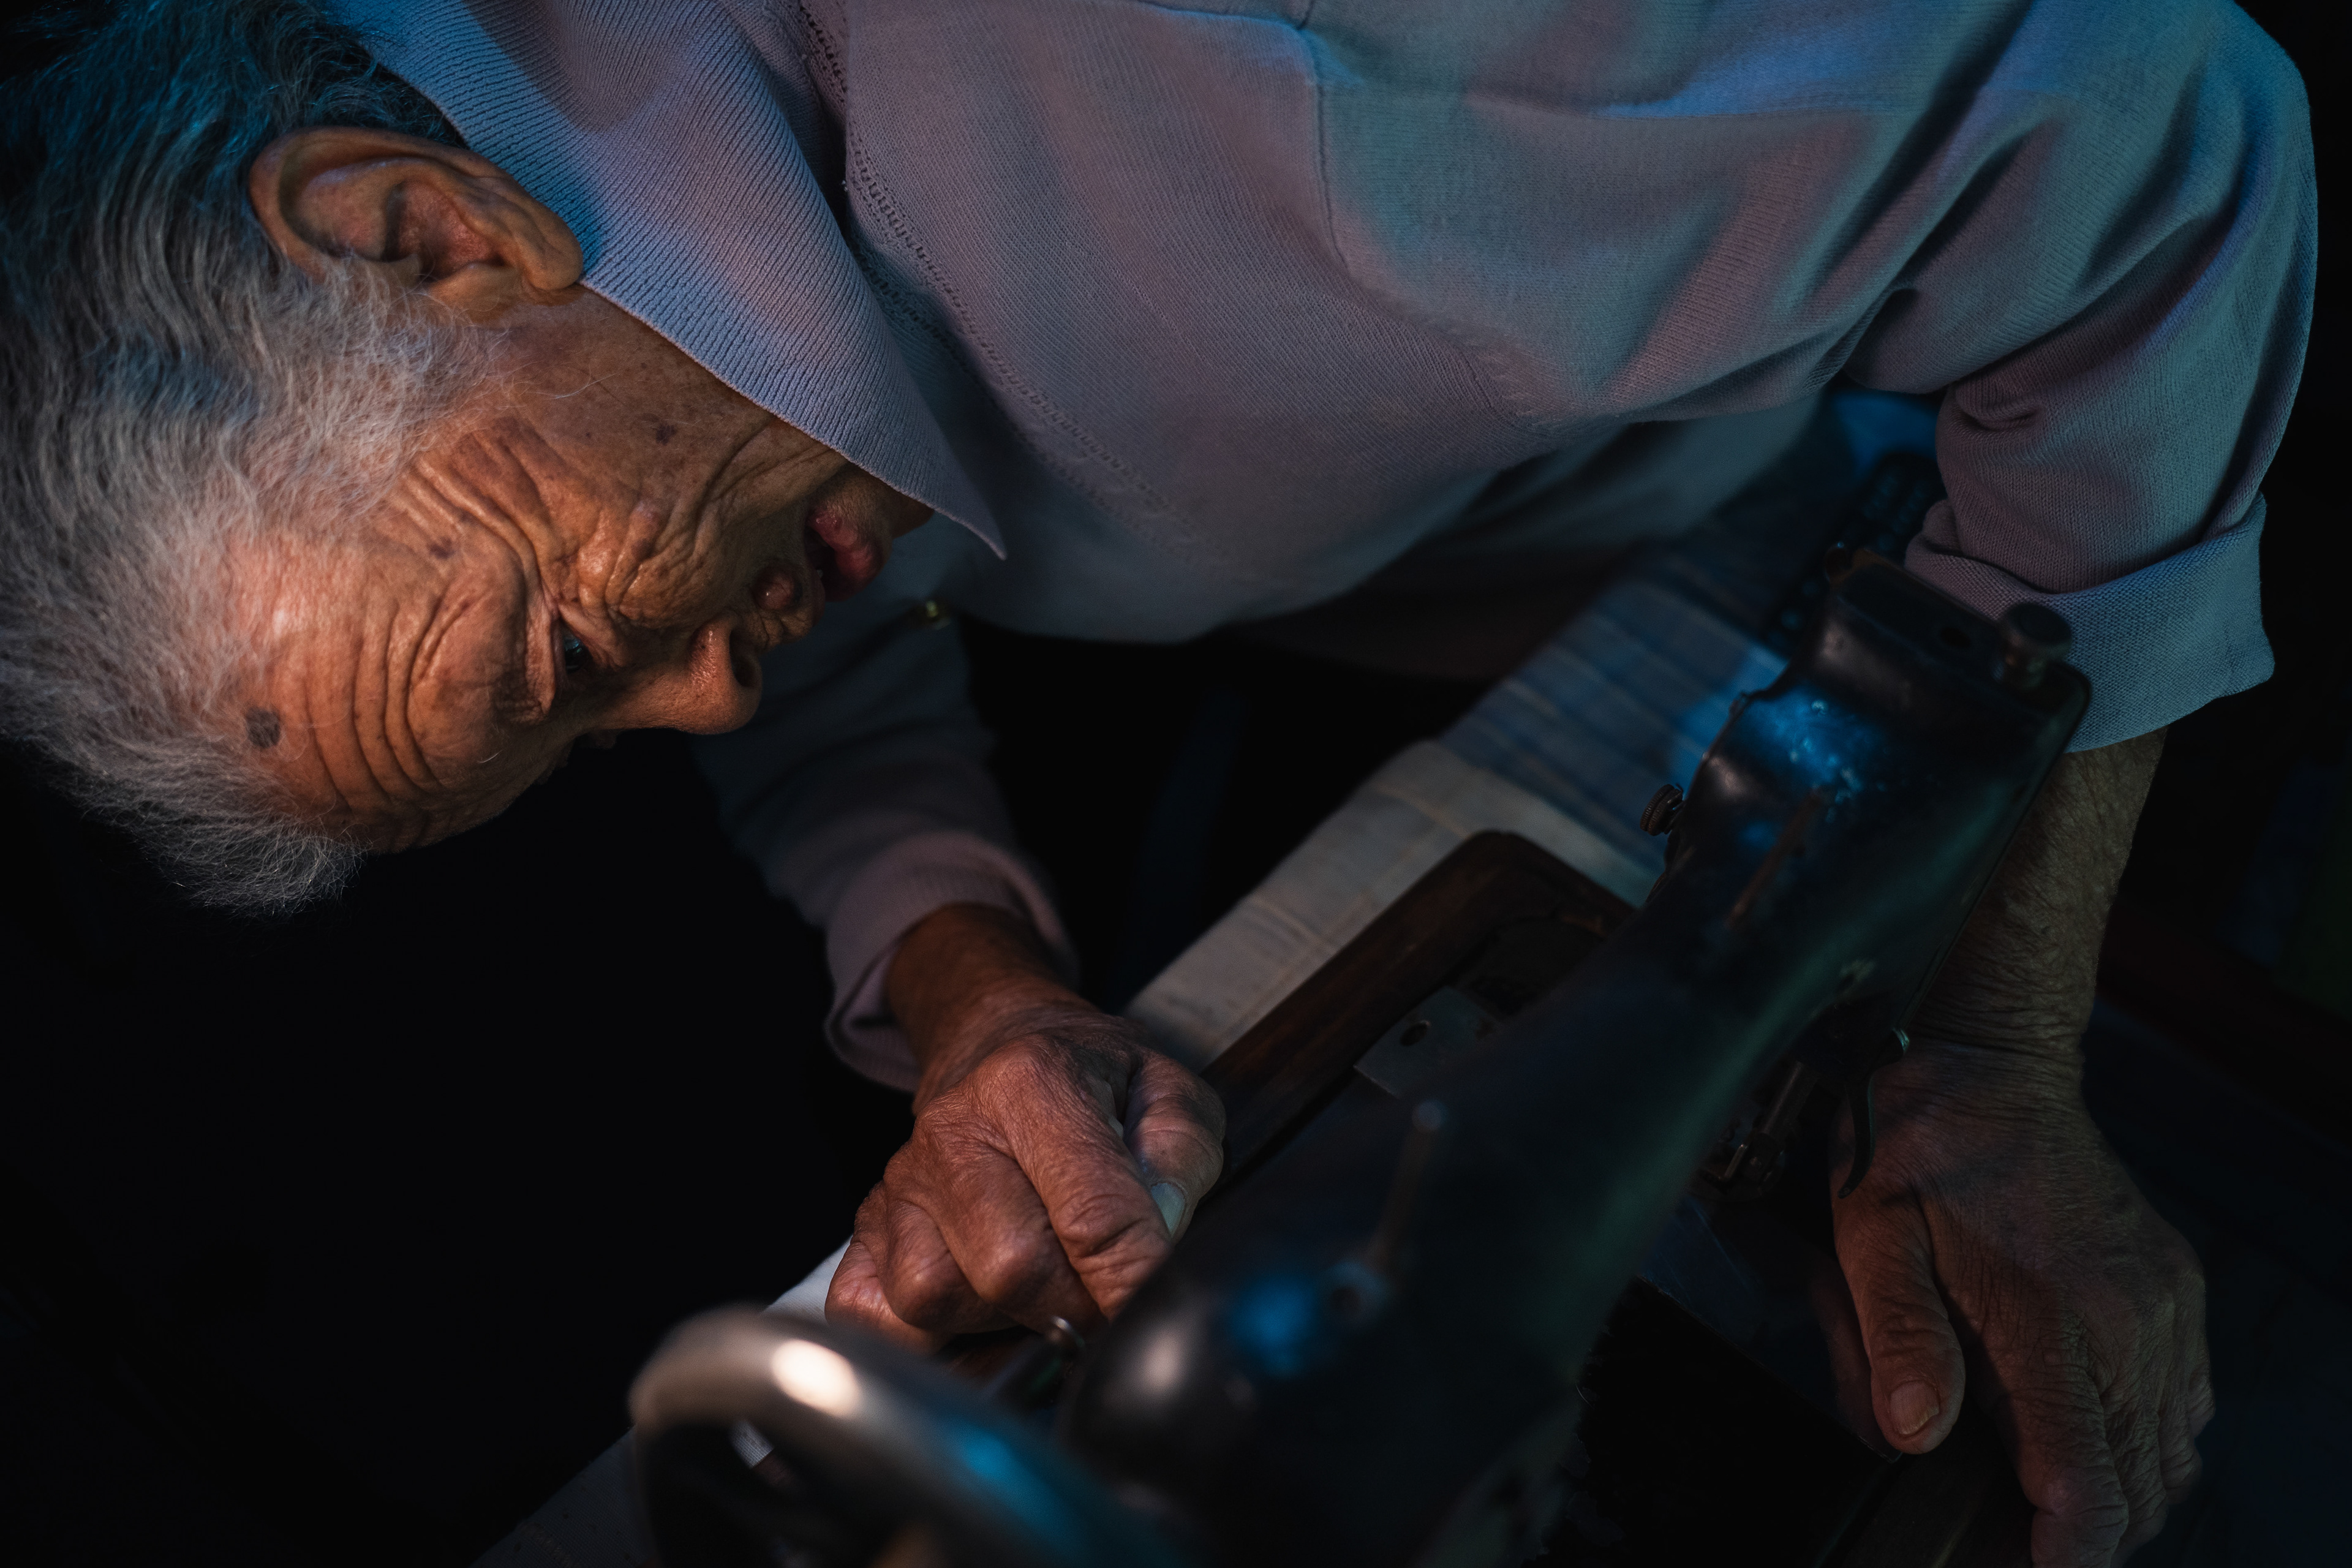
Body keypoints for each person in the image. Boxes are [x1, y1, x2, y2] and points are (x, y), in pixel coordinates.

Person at [0, 3, 2311, 1562]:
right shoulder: (660, 354)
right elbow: (822, 645)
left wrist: (2005, 1047)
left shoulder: (1261, 79)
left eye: (579, 654)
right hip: (1409, 573)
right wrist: (976, 987)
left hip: (1818, 486)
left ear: (419, 233)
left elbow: (2174, 153)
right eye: (592, 715)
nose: (701, 714)